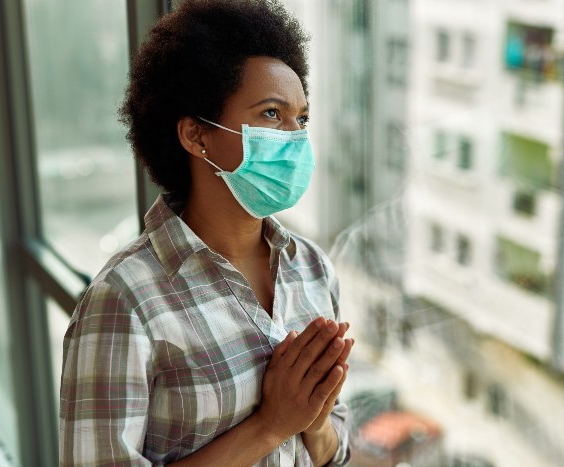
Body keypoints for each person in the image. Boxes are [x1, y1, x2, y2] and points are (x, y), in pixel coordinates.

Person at [59, 1, 354, 465]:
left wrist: (314, 422)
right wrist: (271, 425)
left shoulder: (312, 268)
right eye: (272, 114)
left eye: (302, 118)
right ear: (197, 135)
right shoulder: (124, 301)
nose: (295, 136)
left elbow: (334, 451)